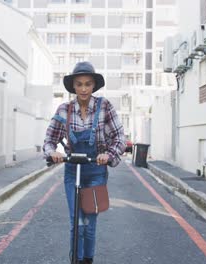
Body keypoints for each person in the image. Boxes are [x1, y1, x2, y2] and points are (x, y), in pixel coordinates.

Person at [43, 61, 126, 264]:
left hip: (96, 172)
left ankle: (87, 259)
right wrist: (52, 152)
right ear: (73, 86)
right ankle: (76, 260)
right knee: (76, 223)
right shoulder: (64, 109)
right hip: (72, 171)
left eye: (87, 84)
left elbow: (119, 138)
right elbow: (49, 139)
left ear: (93, 86)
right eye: (79, 84)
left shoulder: (104, 106)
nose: (83, 88)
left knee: (89, 223)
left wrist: (109, 155)